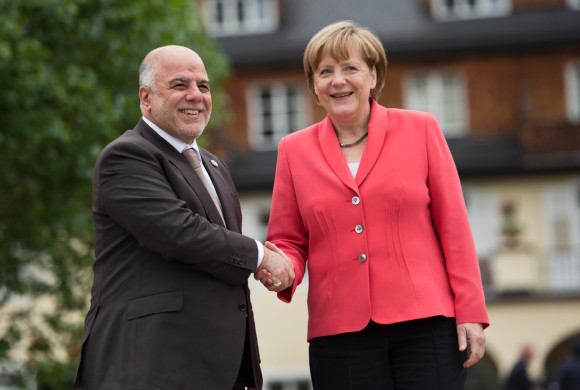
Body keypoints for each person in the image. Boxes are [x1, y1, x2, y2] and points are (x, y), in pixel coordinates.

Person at [257, 21, 489, 389]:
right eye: (325, 72)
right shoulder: (292, 150)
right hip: (339, 333)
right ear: (313, 85)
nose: (338, 80)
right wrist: (282, 269)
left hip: (426, 324)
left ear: (373, 75)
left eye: (350, 68)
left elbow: (454, 229)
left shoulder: (421, 130)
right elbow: (289, 239)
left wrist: (472, 312)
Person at [73, 45, 293, 390]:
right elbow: (180, 233)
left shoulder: (214, 165)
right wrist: (261, 257)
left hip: (219, 367)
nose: (196, 96)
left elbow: (217, 254)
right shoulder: (127, 155)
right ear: (146, 98)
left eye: (203, 86)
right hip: (152, 364)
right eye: (180, 85)